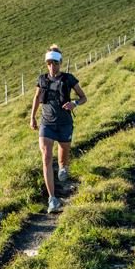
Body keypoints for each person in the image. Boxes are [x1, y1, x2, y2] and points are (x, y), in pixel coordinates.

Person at [29, 45, 87, 212]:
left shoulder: (69, 78)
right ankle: (52, 199)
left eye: (55, 62)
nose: (52, 66)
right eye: (49, 63)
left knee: (62, 158)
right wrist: (32, 117)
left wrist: (74, 103)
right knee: (46, 157)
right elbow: (37, 97)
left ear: (61, 62)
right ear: (46, 63)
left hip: (64, 124)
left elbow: (83, 97)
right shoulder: (42, 79)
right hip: (46, 123)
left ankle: (63, 166)